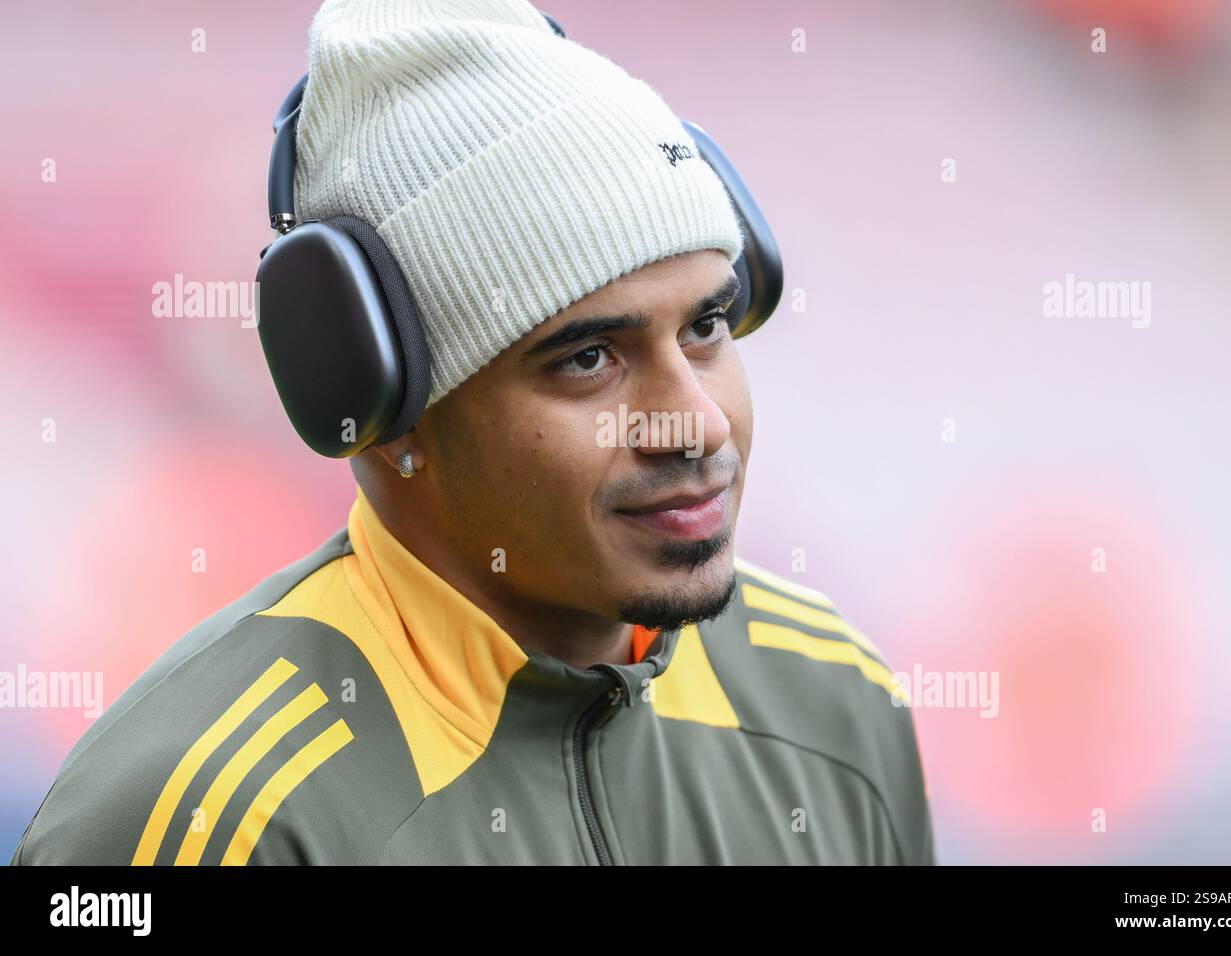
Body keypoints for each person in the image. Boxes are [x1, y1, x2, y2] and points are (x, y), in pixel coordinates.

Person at [11, 0, 934, 865]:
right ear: (378, 411)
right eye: (587, 360)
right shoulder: (207, 814)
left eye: (705, 327)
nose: (694, 422)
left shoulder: (835, 702)